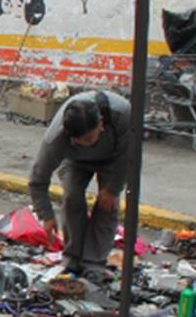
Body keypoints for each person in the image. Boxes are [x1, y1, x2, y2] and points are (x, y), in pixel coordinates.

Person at [28, 90, 131, 278]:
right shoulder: (56, 139)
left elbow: (128, 156)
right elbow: (38, 179)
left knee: (107, 205)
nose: (87, 144)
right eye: (81, 141)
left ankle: (94, 263)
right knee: (72, 196)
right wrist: (47, 216)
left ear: (101, 123)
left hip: (113, 159)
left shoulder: (122, 113)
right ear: (68, 135)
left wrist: (113, 188)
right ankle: (72, 259)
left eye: (91, 138)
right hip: (74, 161)